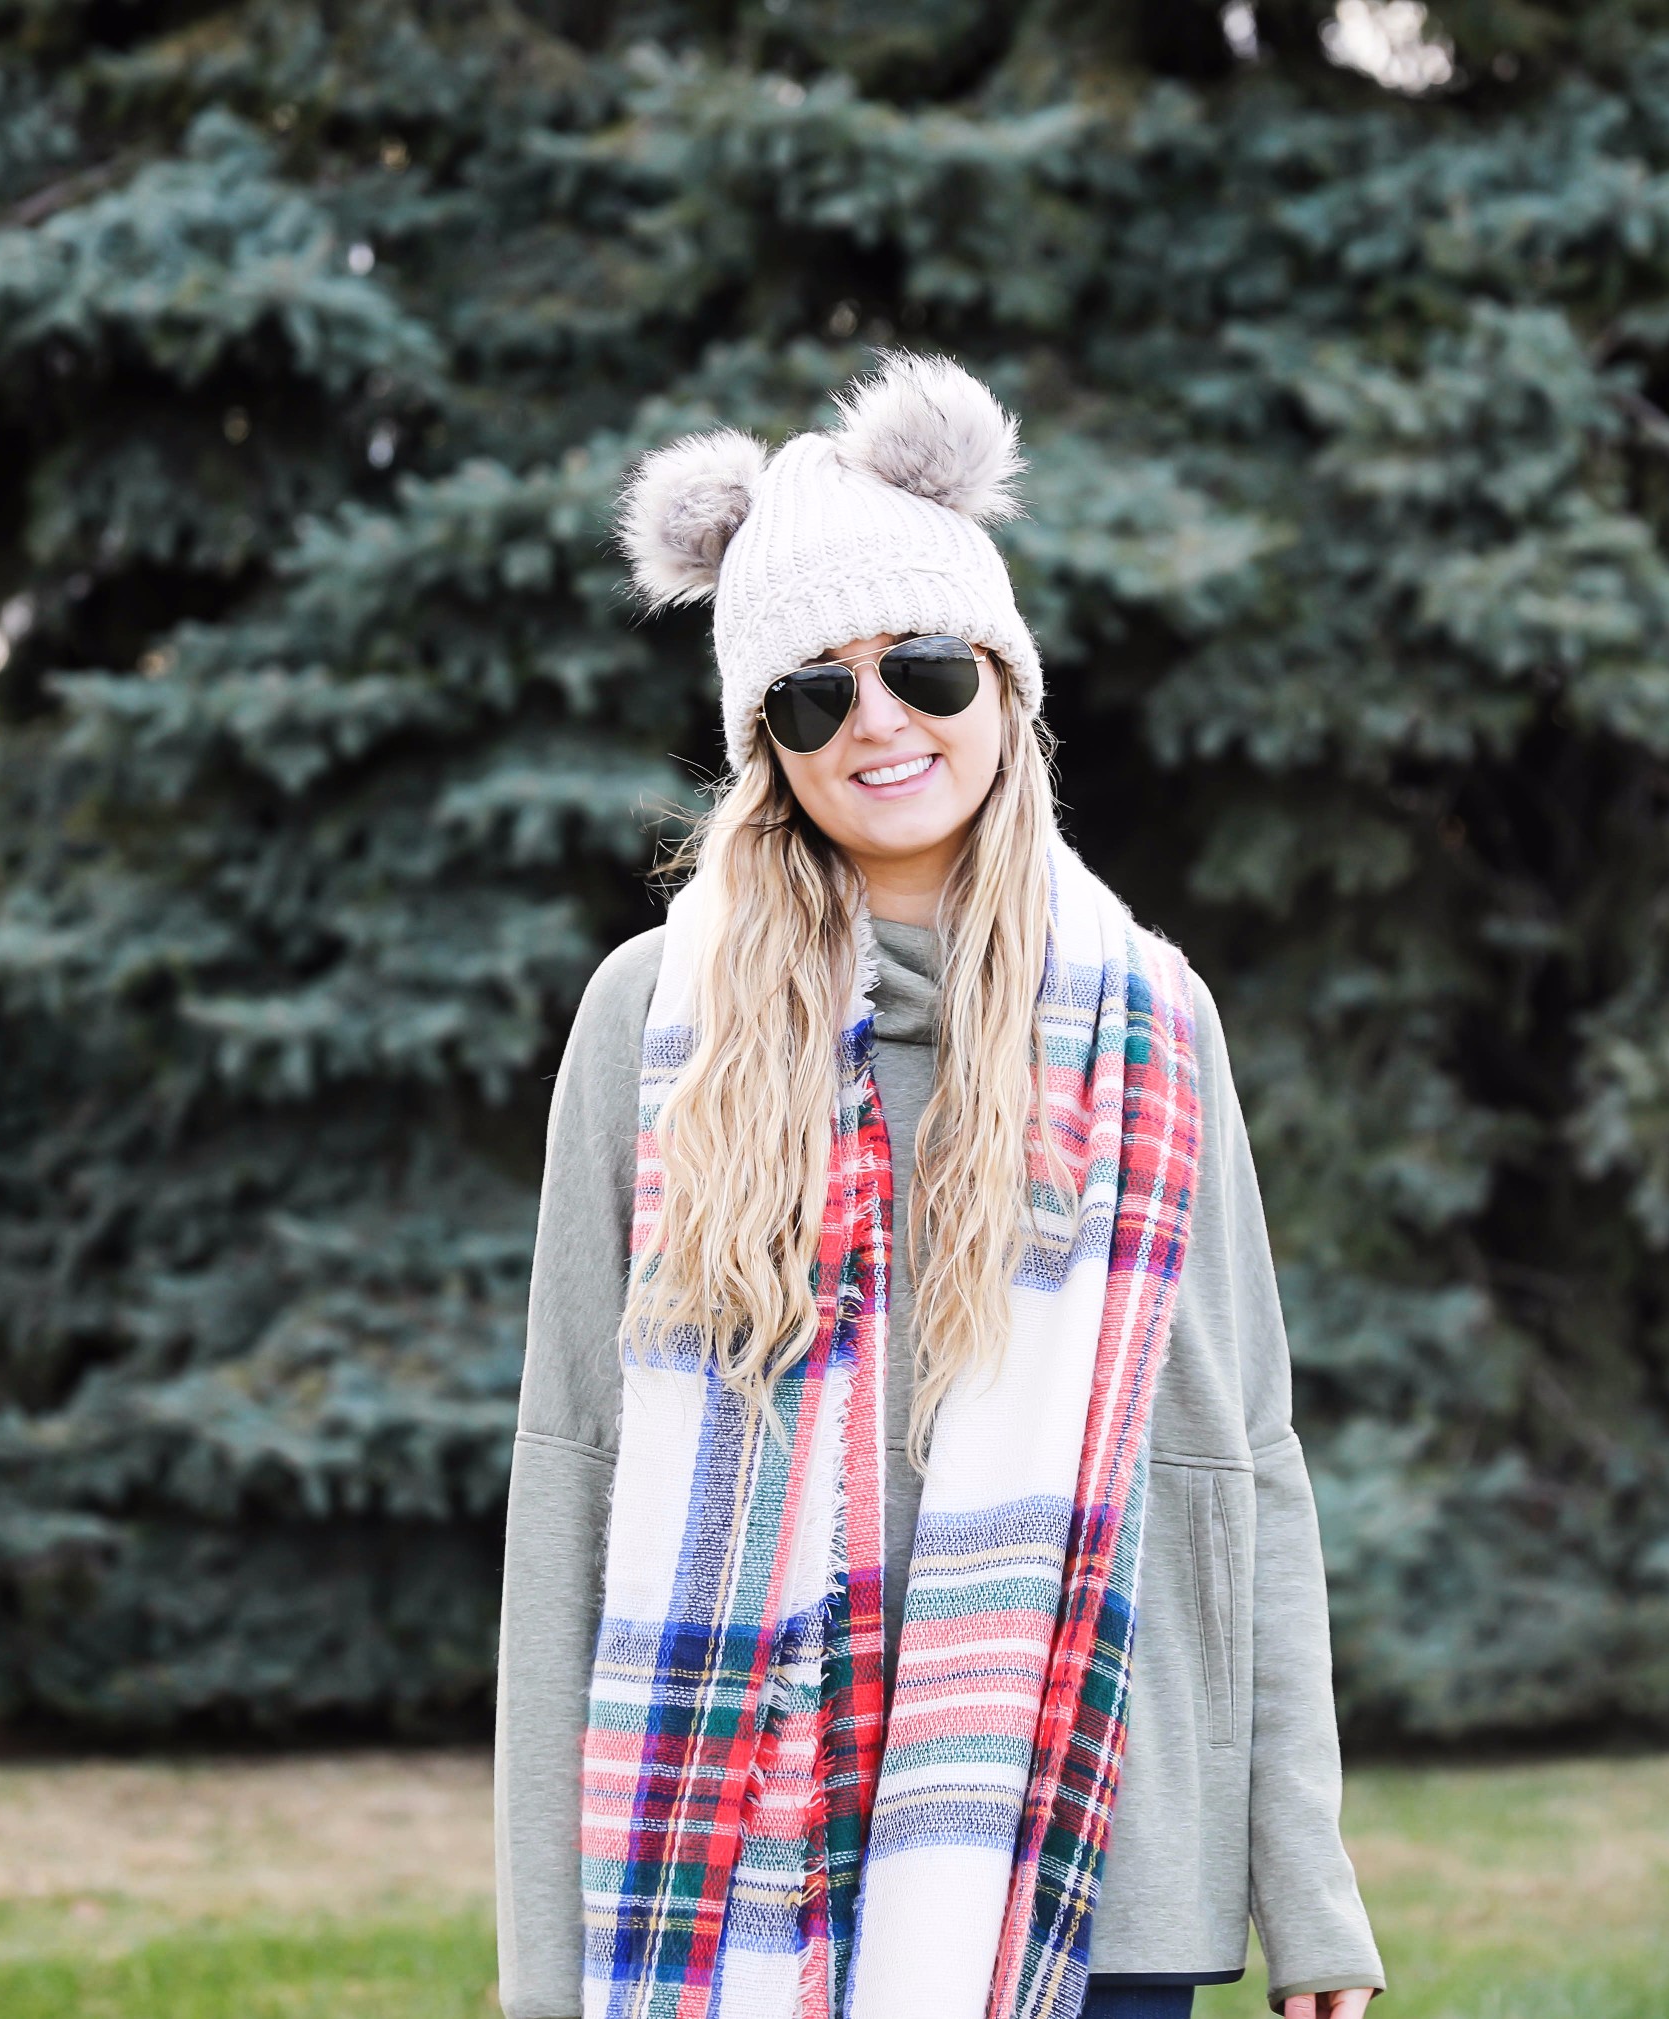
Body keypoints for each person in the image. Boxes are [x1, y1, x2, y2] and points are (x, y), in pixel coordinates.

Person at [492, 354, 1384, 2019]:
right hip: (745, 1852)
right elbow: (574, 1468)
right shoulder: (647, 1022)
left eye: (918, 665)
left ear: (1005, 684)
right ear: (766, 745)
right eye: (812, 695)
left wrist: (1304, 1884)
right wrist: (547, 1964)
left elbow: (1240, 1453)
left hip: (1095, 1849)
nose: (878, 722)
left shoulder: (1147, 1019)